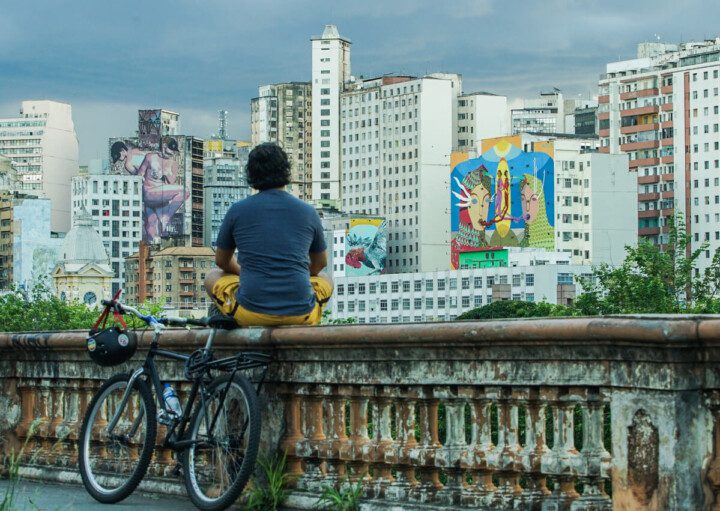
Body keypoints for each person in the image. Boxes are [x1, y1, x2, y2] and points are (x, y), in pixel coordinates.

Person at [204, 143, 333, 326]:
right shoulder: (308, 211)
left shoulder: (237, 210)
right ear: (286, 171)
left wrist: (245, 274)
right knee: (326, 279)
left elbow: (222, 261)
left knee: (212, 276)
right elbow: (320, 263)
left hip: (250, 313)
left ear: (251, 173)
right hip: (302, 314)